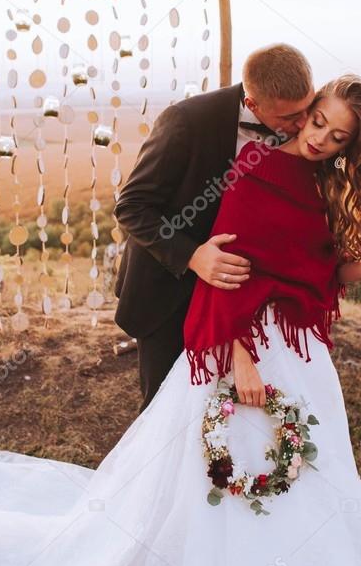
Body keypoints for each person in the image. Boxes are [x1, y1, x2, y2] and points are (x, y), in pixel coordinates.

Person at [0, 73, 361, 566]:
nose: (320, 140)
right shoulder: (253, 169)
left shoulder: (321, 187)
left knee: (304, 463)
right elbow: (224, 274)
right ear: (304, 110)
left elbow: (320, 277)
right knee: (210, 461)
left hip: (297, 347)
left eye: (337, 138)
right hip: (243, 345)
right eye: (317, 123)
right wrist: (240, 359)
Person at [114, 43, 317, 413]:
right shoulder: (186, 122)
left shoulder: (305, 127)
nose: (304, 125)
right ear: (254, 105)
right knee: (168, 413)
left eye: (308, 109)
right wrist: (192, 256)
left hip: (244, 299)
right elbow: (132, 206)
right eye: (291, 117)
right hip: (170, 294)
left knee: (237, 415)